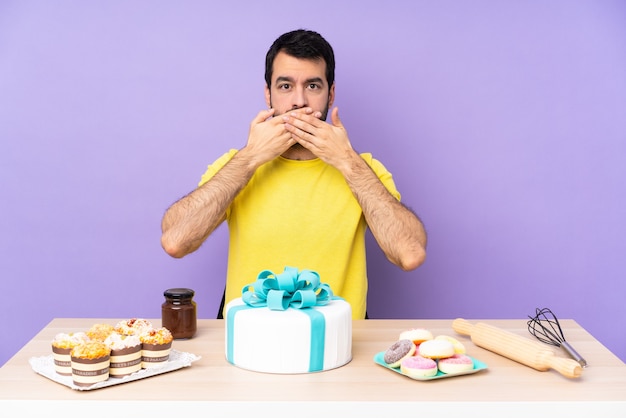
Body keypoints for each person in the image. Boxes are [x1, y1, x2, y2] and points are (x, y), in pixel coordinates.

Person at [161, 29, 427, 319]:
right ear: (268, 94)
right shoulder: (235, 166)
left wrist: (348, 162)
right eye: (285, 86)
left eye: (313, 86)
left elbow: (410, 254)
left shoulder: (362, 169)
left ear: (331, 93)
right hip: (250, 346)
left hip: (334, 347)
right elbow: (175, 241)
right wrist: (249, 158)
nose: (299, 101)